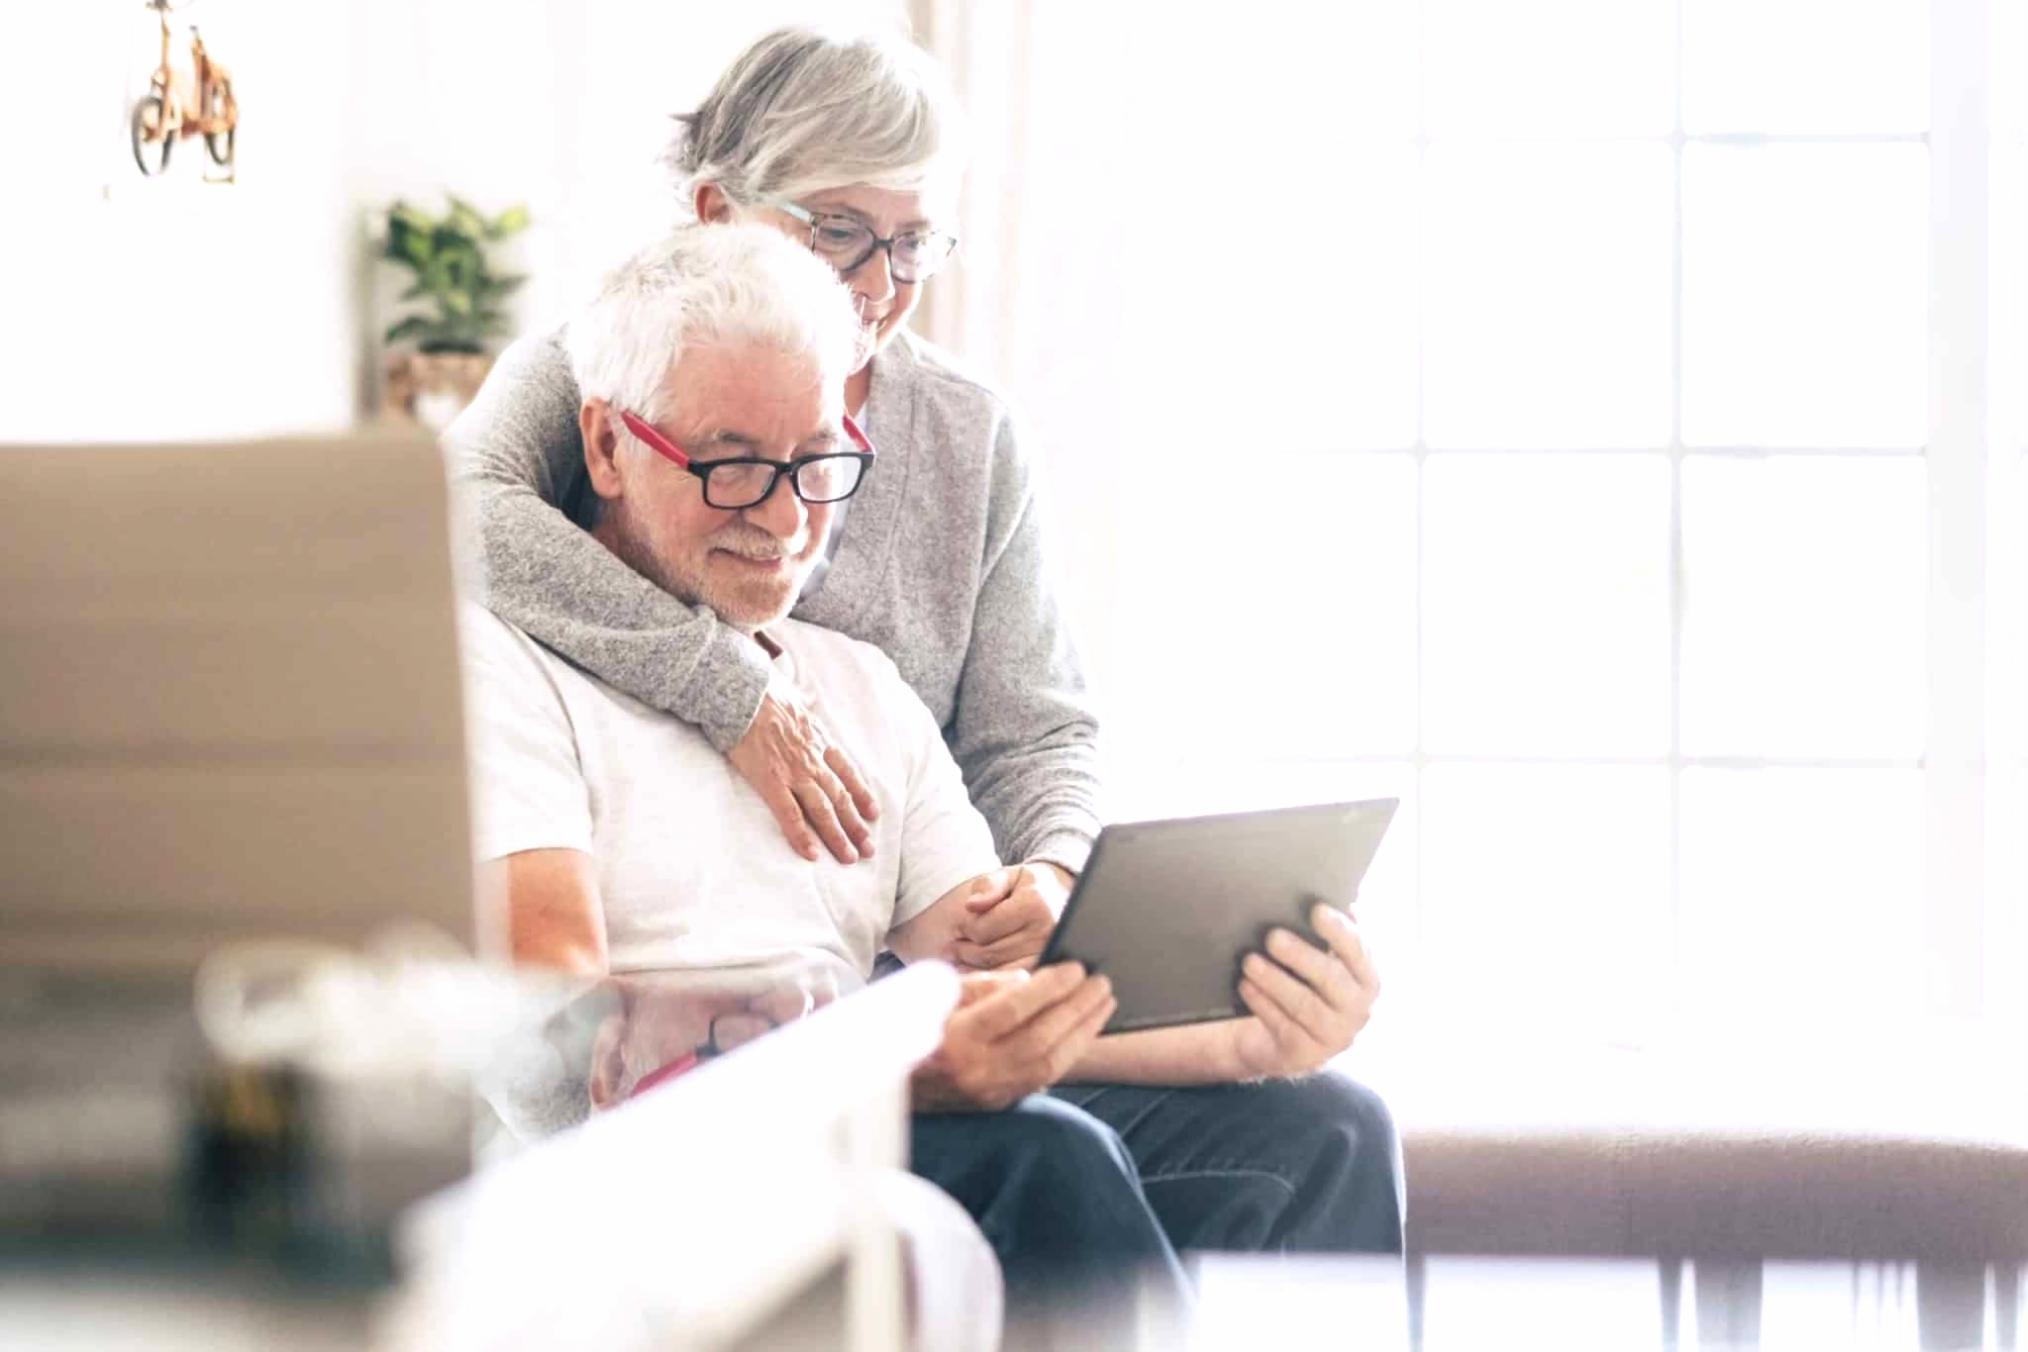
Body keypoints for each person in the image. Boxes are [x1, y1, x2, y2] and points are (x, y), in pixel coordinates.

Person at [463, 223, 1402, 1348]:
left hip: (862, 1105)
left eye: (818, 461)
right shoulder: (505, 670)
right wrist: (888, 1067)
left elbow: (1008, 1000)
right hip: (664, 1163)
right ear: (608, 446)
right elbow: (552, 1037)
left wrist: (1250, 1040)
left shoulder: (859, 688)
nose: (786, 518)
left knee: (1326, 1128)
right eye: (731, 463)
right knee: (1044, 1155)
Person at [446, 27, 1087, 963]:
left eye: (912, 242)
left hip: (898, 954)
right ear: (717, 214)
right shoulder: (608, 367)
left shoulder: (972, 435)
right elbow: (453, 517)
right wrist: (733, 687)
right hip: (667, 966)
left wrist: (1056, 871)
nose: (878, 284)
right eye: (838, 231)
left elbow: (1035, 734)